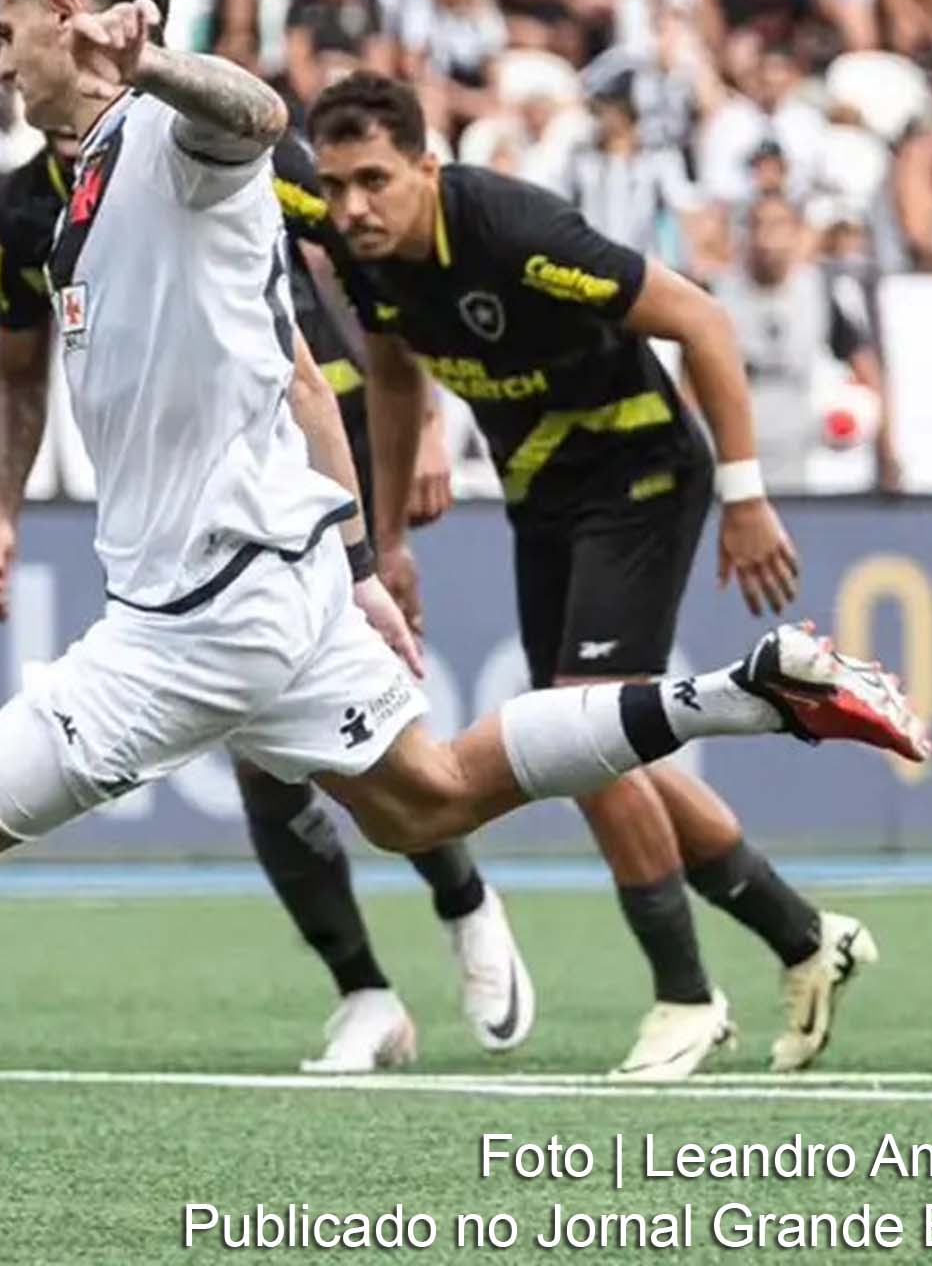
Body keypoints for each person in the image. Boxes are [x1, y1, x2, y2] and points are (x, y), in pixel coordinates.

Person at [0, 0, 923, 1223]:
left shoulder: (170, 139)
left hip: (197, 620)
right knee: (431, 796)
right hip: (278, 581)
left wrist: (155, 63)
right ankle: (751, 692)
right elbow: (294, 374)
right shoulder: (67, 193)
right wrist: (354, 562)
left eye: (7, 24)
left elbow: (255, 113)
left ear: (71, 17)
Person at [290, 70, 886, 1081]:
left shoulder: (516, 231)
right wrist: (386, 543)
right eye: (336, 185)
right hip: (545, 493)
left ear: (426, 167)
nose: (351, 207)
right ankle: (803, 937)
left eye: (374, 181)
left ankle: (687, 997)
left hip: (640, 471)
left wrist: (745, 496)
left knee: (582, 736)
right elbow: (392, 374)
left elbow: (701, 319)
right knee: (583, 744)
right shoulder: (365, 253)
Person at [0, 129, 533, 1074]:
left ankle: (463, 900)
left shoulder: (214, 145)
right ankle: (365, 991)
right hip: (205, 487)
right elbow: (17, 378)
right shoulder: (20, 214)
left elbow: (369, 262)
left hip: (324, 440)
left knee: (365, 730)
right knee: (264, 755)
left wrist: (424, 419)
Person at [715, 193, 899, 493]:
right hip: (732, 447)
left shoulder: (818, 292)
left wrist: (886, 451)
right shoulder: (718, 295)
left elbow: (866, 369)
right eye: (757, 225)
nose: (767, 238)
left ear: (796, 232)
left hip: (799, 445)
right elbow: (690, 383)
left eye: (778, 225)